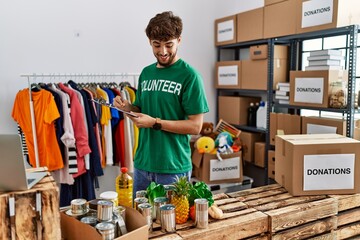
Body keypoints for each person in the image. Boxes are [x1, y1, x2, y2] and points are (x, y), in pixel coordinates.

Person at [113, 11, 209, 197]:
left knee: (170, 225)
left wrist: (155, 122)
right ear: (150, 42)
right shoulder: (146, 73)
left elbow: (195, 126)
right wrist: (127, 108)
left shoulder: (190, 76)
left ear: (179, 41)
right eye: (157, 45)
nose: (163, 52)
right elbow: (140, 110)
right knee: (141, 222)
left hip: (173, 168)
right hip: (142, 164)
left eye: (169, 45)